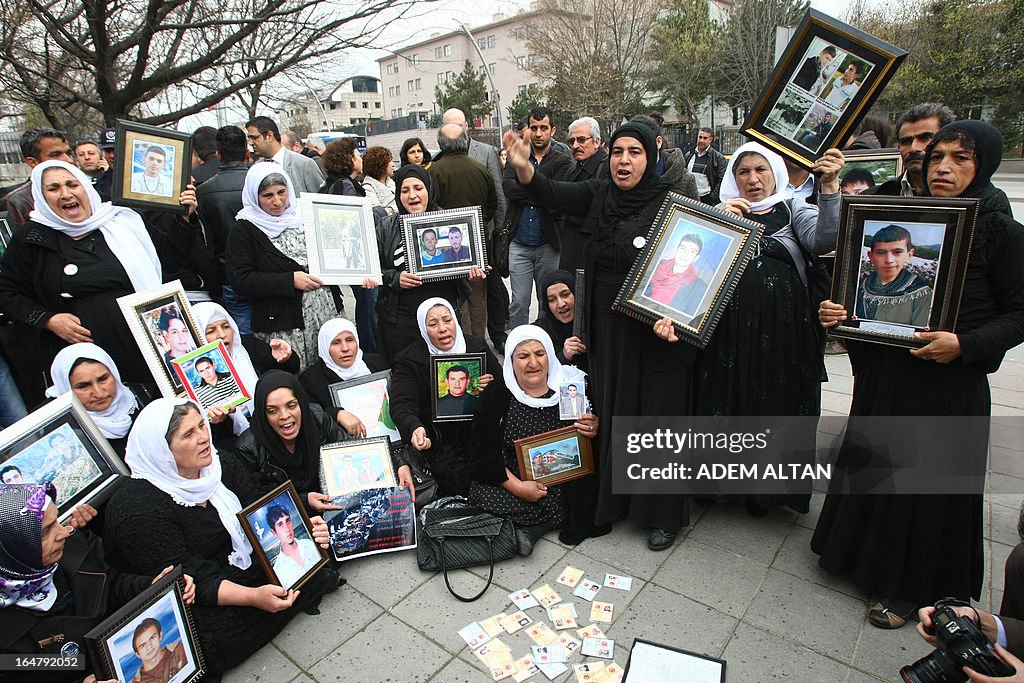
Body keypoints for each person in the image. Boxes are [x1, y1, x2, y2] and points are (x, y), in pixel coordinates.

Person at [813, 121, 1024, 630]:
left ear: (985, 165)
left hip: (947, 382)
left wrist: (967, 344)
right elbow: (863, 289)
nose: (944, 168)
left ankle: (913, 588)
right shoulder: (904, 216)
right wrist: (840, 314)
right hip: (888, 375)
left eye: (961, 159)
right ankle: (855, 556)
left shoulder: (1002, 231)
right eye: (937, 158)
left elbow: (1019, 313)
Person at [502, 122, 693, 551]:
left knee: (654, 414)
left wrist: (675, 319)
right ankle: (620, 498)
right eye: (619, 151)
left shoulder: (671, 203)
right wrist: (523, 168)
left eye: (635, 152)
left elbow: (694, 272)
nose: (624, 160)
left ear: (651, 156)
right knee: (613, 408)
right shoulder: (598, 193)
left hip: (654, 329)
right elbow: (549, 192)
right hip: (608, 328)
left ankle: (662, 514)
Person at [103, 399, 340, 675]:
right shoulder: (138, 509)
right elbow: (187, 579)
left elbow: (258, 510)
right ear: (162, 451)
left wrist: (302, 529)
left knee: (309, 560)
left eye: (202, 425)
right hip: (192, 591)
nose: (204, 437)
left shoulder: (220, 463)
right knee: (210, 638)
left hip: (234, 565)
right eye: (188, 434)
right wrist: (253, 597)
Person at [696, 142, 843, 514]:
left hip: (781, 333)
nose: (753, 179)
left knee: (772, 402)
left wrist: (829, 188)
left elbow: (825, 239)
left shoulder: (793, 209)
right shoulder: (718, 209)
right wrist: (717, 218)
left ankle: (766, 493)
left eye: (760, 170)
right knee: (729, 401)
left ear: (775, 173)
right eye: (743, 172)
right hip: (726, 335)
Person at [1, 482, 194, 683]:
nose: (64, 532)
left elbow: (108, 585)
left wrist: (153, 586)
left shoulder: (68, 549)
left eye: (57, 520)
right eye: (44, 532)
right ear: (10, 549)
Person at [0, 160, 162, 385]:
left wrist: (186, 219)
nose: (66, 194)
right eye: (53, 188)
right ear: (41, 195)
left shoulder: (121, 222)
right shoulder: (31, 239)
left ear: (86, 187)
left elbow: (169, 261)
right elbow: (7, 292)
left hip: (145, 349)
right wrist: (49, 320)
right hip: (85, 365)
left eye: (72, 185)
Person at [468, 325, 601, 551]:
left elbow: (589, 440)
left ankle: (534, 526)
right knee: (483, 493)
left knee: (588, 492)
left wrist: (594, 426)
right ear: (511, 361)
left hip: (564, 478)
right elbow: (484, 452)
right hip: (514, 476)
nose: (533, 363)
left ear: (549, 355)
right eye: (523, 356)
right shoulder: (497, 393)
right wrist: (518, 487)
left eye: (540, 354)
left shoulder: (571, 387)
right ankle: (541, 522)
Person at [225, 164, 337, 368]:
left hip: (324, 312)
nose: (277, 202)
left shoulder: (304, 216)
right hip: (282, 326)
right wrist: (289, 280)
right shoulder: (245, 228)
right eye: (268, 195)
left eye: (281, 193)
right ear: (254, 196)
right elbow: (241, 279)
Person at [390, 298, 499, 495]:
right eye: (433, 324)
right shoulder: (410, 359)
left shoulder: (477, 347)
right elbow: (401, 404)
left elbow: (504, 387)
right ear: (423, 329)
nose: (442, 329)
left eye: (447, 320)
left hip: (480, 431)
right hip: (439, 441)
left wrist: (492, 387)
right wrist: (414, 427)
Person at [375, 165, 483, 363]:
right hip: (400, 322)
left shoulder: (450, 222)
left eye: (418, 188)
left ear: (429, 190)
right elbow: (374, 270)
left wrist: (472, 271)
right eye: (405, 190)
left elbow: (462, 262)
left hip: (441, 321)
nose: (412, 195)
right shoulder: (386, 226)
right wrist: (395, 278)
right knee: (407, 374)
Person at [502, 106, 573, 327]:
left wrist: (535, 191)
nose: (538, 133)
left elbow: (556, 199)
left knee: (548, 301)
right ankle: (519, 343)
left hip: (548, 243)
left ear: (553, 130)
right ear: (528, 130)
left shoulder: (562, 161)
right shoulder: (518, 156)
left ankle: (547, 343)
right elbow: (508, 187)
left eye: (544, 128)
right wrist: (541, 190)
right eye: (534, 128)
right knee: (520, 302)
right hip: (519, 242)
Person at [319, 138, 381, 353]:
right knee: (369, 306)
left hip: (345, 256)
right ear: (347, 159)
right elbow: (357, 218)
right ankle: (371, 351)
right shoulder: (346, 185)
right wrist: (382, 212)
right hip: (359, 256)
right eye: (357, 155)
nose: (361, 158)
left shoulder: (329, 184)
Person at [46, 342, 142, 457]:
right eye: (83, 386)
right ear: (66, 389)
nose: (99, 393)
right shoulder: (63, 433)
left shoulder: (138, 400)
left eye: (103, 379)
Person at [298, 318, 387, 436]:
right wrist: (337, 414)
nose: (345, 348)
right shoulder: (311, 380)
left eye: (350, 340)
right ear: (325, 346)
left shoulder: (376, 364)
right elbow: (308, 416)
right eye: (336, 342)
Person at [855, 224, 933, 327]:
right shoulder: (861, 284)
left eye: (897, 252)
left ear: (909, 255)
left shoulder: (921, 293)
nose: (889, 260)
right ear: (871, 256)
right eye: (881, 253)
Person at [874, 102, 956, 197]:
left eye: (925, 138)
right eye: (906, 141)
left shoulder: (970, 200)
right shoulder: (872, 199)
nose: (913, 148)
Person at [561, 117, 609, 271]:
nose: (575, 146)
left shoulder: (608, 169)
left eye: (581, 140)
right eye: (572, 141)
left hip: (595, 253)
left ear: (596, 142)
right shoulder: (573, 170)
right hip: (571, 248)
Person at [245, 116, 323, 194]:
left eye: (254, 138)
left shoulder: (304, 164)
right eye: (249, 138)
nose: (250, 143)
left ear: (269, 136)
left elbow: (320, 200)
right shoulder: (256, 168)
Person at [532, 270, 588, 372]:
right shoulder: (540, 332)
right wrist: (563, 356)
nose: (561, 304)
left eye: (565, 294)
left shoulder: (592, 322)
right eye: (552, 300)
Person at [644, 233, 709, 315]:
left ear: (696, 258)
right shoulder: (654, 264)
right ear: (677, 249)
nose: (685, 254)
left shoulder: (700, 288)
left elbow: (685, 320)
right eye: (682, 248)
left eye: (692, 251)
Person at [266, 504, 321, 590]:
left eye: (287, 521)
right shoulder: (278, 571)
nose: (287, 529)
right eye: (280, 524)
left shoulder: (309, 544)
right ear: (274, 532)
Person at [130, 616, 188, 683]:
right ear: (138, 654)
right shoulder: (137, 682)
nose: (149, 646)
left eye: (152, 638)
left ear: (160, 636)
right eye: (142, 645)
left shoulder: (180, 650)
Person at [686, 127, 729, 206]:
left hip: (706, 199)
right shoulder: (689, 155)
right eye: (700, 137)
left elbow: (721, 180)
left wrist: (711, 198)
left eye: (705, 138)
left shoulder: (718, 158)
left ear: (710, 139)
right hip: (689, 198)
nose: (701, 140)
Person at [361, 146, 397, 214]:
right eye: (389, 161)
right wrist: (394, 208)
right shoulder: (368, 188)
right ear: (380, 164)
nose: (393, 164)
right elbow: (378, 214)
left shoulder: (392, 183)